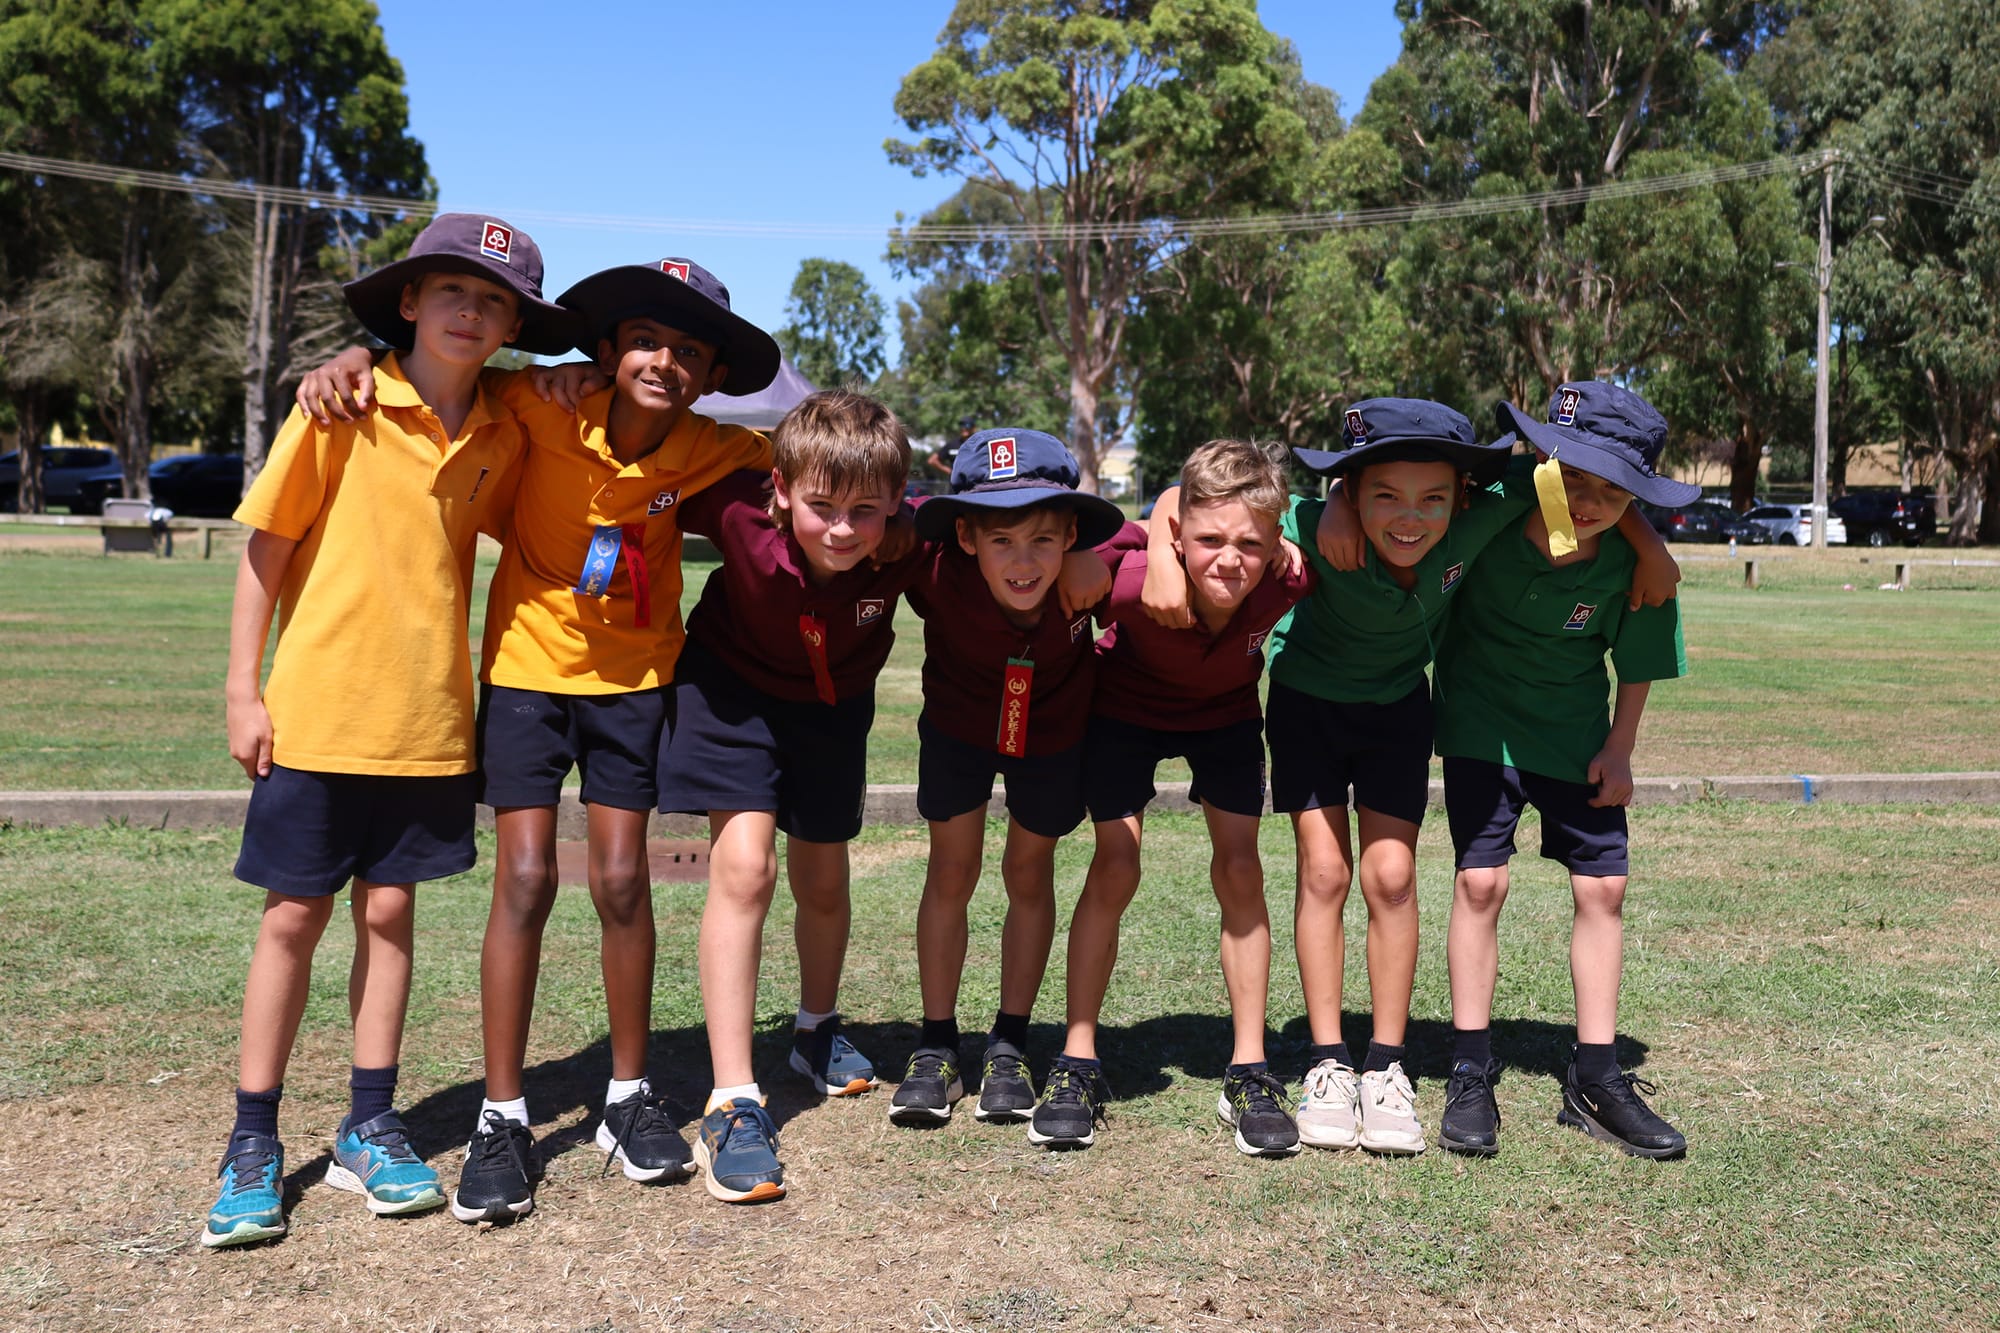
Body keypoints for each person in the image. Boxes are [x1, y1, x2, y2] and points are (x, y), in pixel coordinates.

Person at [292, 257, 781, 1223]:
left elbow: (815, 448)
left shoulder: (715, 447)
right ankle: (503, 1113)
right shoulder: (536, 401)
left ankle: (628, 1097)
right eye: (645, 339)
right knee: (522, 876)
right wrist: (354, 353)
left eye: (690, 351)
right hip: (523, 672)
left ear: (713, 373)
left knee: (622, 879)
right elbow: (438, 370)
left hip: (635, 681)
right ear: (603, 351)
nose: (664, 361)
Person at [1142, 399, 1675, 1156]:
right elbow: (1192, 498)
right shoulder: (1314, 525)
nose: (1408, 517)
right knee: (1324, 872)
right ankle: (1328, 1062)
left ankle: (1385, 1066)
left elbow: (1574, 483)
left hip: (1397, 710)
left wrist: (1649, 543)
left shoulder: (1479, 519)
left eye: (1431, 498)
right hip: (1306, 708)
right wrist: (1320, 504)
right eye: (1382, 494)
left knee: (1390, 877)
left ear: (1461, 497)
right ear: (1355, 491)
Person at [203, 214, 569, 1248]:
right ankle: (251, 1141)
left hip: (428, 722)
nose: (470, 310)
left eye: (495, 300)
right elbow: (264, 553)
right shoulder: (341, 404)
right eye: (452, 289)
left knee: (391, 915)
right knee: (291, 920)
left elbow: (575, 397)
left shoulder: (506, 423)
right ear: (408, 300)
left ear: (510, 329)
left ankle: (369, 1124)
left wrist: (564, 380)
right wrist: (243, 689)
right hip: (318, 712)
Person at [657, 390, 920, 1203]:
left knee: (824, 876)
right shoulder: (736, 510)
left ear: (895, 505)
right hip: (731, 695)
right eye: (822, 507)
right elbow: (637, 467)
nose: (843, 529)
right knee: (745, 868)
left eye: (865, 511)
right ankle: (733, 1098)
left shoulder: (911, 538)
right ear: (779, 490)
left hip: (832, 708)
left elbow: (1078, 524)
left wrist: (1130, 546)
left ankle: (815, 1030)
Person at [1029, 439, 1314, 1156]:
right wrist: (1149, 543)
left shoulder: (1287, 579)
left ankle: (1249, 1068)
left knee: (1242, 869)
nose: (1229, 558)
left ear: (1277, 541)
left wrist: (1250, 541)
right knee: (1116, 865)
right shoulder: (1126, 580)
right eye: (1209, 539)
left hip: (1225, 718)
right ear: (1181, 536)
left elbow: (1287, 526)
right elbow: (1112, 526)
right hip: (1122, 711)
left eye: (1251, 542)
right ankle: (1078, 1059)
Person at [1432, 382, 1693, 1160]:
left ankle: (1597, 1078)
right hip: (1482, 721)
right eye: (1571, 476)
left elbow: (1641, 658)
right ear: (1542, 460)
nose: (1586, 501)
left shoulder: (1634, 562)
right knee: (1482, 882)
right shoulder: (1507, 499)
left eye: (1615, 492)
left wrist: (1621, 747)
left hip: (1575, 730)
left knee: (1603, 888)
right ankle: (1470, 1069)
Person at [888, 428, 1130, 1128]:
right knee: (951, 871)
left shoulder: (1094, 564)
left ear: (1072, 532)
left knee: (1029, 872)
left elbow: (1169, 517)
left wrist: (1089, 554)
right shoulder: (930, 568)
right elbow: (870, 509)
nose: (1023, 562)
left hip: (1052, 735)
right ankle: (936, 1044)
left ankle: (1008, 1042)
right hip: (959, 729)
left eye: (1044, 540)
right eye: (1001, 541)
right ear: (965, 536)